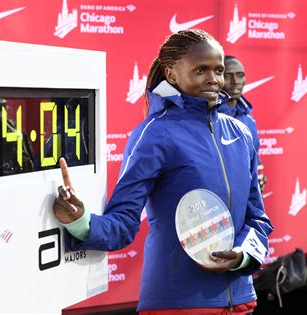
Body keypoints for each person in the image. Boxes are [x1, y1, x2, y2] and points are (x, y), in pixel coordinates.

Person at [53, 30, 273, 314]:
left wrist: (243, 255)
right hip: (178, 303)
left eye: (218, 70)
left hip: (241, 300)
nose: (214, 79)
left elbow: (257, 218)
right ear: (171, 74)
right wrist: (81, 222)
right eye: (200, 70)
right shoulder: (155, 134)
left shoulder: (241, 133)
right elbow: (122, 222)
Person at [219, 56, 267, 192]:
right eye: (228, 76)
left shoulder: (248, 119)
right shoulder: (208, 117)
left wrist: (258, 179)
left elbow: (254, 157)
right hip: (218, 199)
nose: (235, 82)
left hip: (245, 196)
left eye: (240, 75)